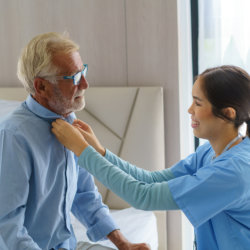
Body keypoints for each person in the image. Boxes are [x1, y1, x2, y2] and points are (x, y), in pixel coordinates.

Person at [52, 65, 250, 250]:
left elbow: (143, 196)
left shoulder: (234, 172)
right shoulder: (210, 153)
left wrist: (82, 151)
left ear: (228, 114)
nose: (190, 110)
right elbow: (150, 181)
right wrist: (99, 151)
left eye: (197, 103)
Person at [0, 32, 150, 250]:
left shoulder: (68, 120)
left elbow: (84, 193)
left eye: (83, 72)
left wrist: (124, 243)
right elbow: (7, 225)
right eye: (74, 78)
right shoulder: (13, 136)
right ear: (41, 86)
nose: (86, 84)